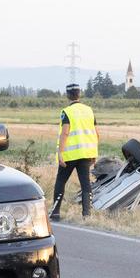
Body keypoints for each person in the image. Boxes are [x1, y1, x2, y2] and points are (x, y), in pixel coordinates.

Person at [49, 83, 99, 220]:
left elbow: (65, 133)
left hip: (70, 155)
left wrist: (60, 153)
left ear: (67, 95)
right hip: (86, 154)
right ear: (79, 94)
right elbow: (96, 133)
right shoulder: (89, 110)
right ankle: (86, 215)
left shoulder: (67, 112)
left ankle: (55, 212)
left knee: (61, 181)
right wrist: (94, 153)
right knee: (85, 184)